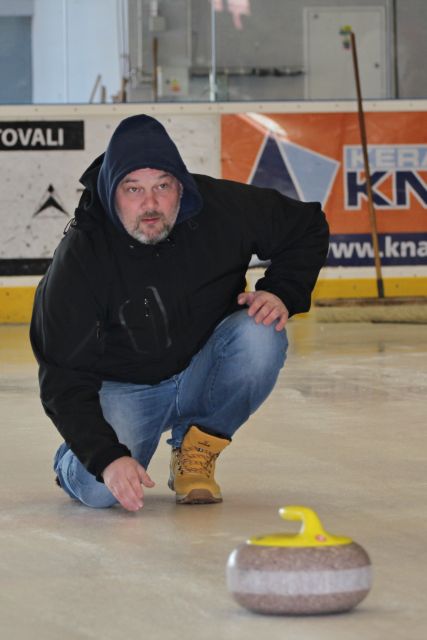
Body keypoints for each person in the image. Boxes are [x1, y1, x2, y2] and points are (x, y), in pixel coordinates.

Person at [30, 114, 329, 513]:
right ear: (111, 193)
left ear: (181, 187)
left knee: (261, 333)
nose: (150, 204)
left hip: (201, 366)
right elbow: (62, 376)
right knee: (100, 491)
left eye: (163, 186)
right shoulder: (82, 256)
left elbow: (306, 225)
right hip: (126, 388)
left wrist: (281, 291)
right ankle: (73, 460)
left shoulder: (221, 209)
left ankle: (196, 448)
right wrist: (105, 456)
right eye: (133, 189)